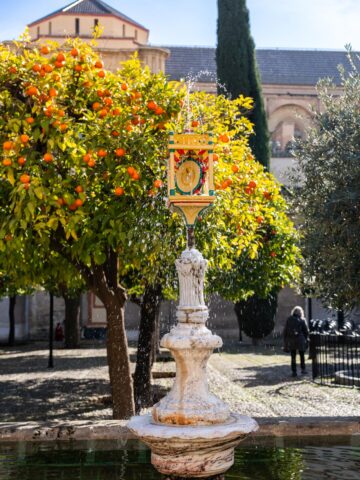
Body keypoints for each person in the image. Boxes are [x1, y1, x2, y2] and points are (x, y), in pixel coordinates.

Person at [283, 306, 309, 377]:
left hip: (292, 340)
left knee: (293, 356)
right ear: (300, 312)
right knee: (302, 355)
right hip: (300, 339)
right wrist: (307, 340)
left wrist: (285, 340)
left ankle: (294, 371)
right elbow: (306, 331)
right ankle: (303, 369)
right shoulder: (302, 320)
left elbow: (285, 330)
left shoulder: (289, 319)